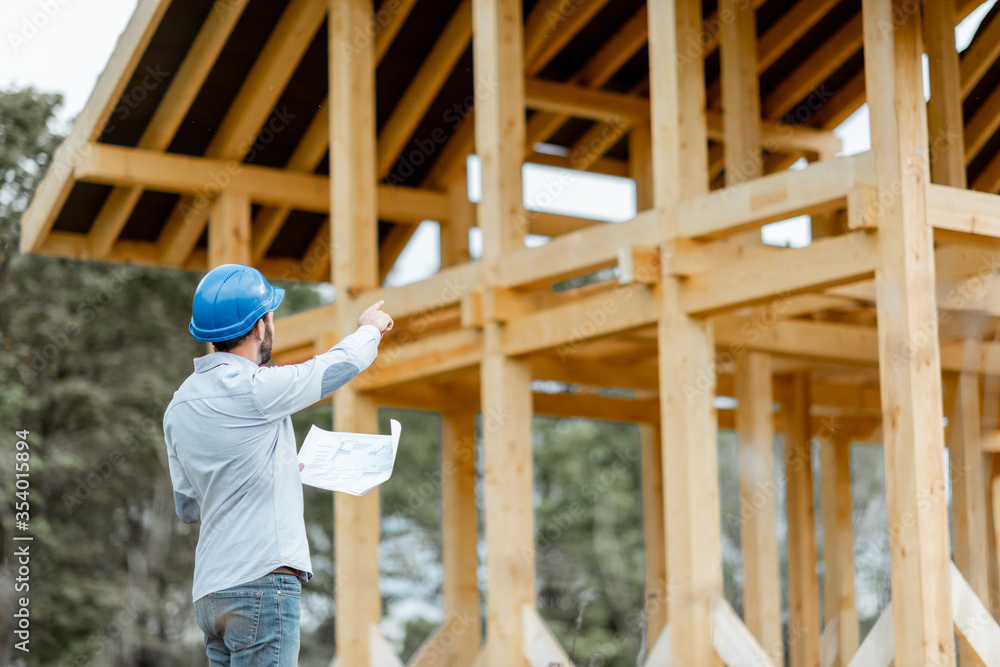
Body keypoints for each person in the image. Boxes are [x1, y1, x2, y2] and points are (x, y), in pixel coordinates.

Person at [162, 264, 393, 666]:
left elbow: (188, 508)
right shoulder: (255, 388)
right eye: (270, 316)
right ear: (258, 326)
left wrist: (264, 471)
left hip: (211, 594)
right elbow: (333, 369)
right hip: (261, 584)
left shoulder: (177, 406)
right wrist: (370, 327)